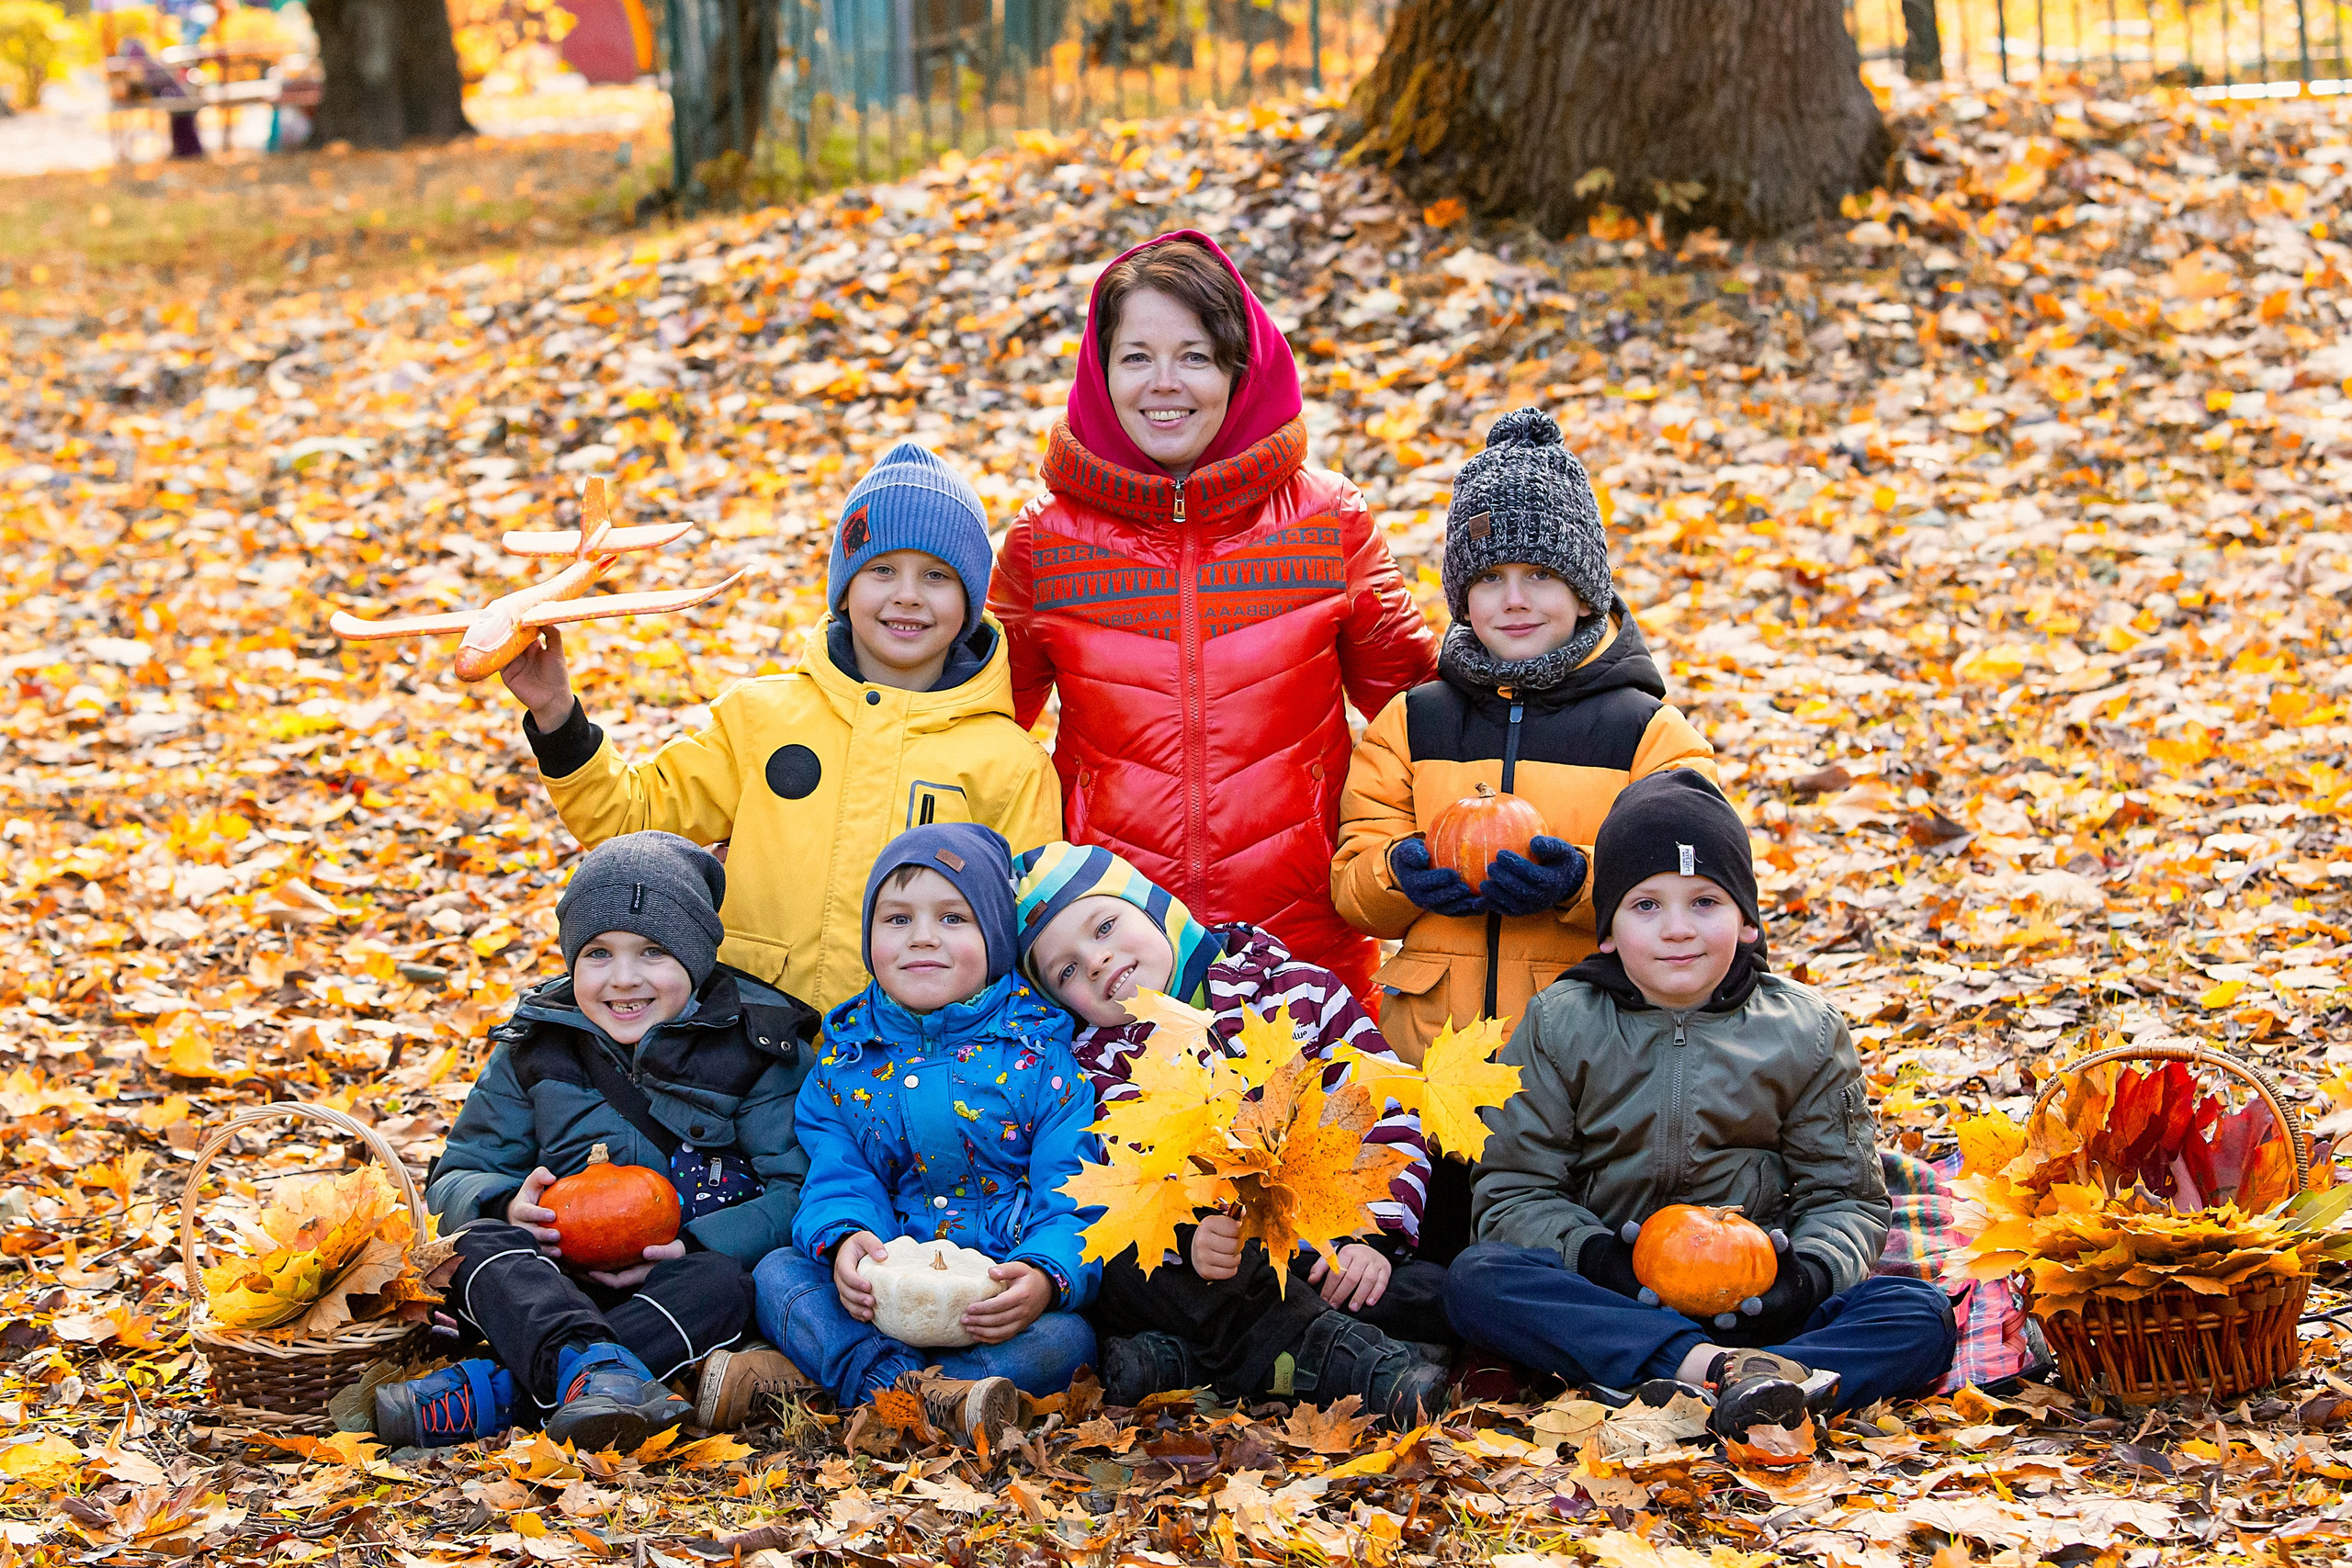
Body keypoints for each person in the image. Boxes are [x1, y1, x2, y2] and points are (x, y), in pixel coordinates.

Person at [989, 231, 1436, 1005]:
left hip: (1307, 959)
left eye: (1195, 355)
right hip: (1112, 968)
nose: (1165, 384)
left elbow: (1426, 714)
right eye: (1136, 357)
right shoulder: (1045, 542)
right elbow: (976, 726)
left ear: (1240, 367)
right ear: (1101, 374)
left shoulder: (1329, 523)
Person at [1444, 773, 1956, 1440]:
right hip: (1613, 1294)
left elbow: (1848, 1195)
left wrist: (1803, 1277)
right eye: (1647, 905)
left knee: (1918, 1313)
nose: (1678, 929)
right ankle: (1731, 1378)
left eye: (1706, 901)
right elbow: (1515, 1191)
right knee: (1478, 1278)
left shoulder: (1803, 1028)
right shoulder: (1559, 1022)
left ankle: (1732, 1377)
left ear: (1746, 920)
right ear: (1607, 930)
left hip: (1760, 1299)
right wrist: (1601, 1260)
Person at [1331, 406, 1715, 1260]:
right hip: (1430, 1076)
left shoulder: (1646, 732)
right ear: (1460, 588)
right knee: (1414, 1261)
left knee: (1554, 1249)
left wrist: (1581, 884)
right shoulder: (1411, 722)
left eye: (1540, 573)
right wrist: (1403, 869)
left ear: (1584, 587)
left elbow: (1701, 889)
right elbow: (1352, 882)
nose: (1513, 597)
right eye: (1491, 573)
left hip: (1586, 1080)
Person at [502, 443, 1061, 1012]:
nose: (907, 595)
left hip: (920, 1065)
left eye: (937, 576)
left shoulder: (1009, 763)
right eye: (882, 569)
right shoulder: (761, 718)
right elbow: (631, 817)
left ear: (970, 602)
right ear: (844, 587)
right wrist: (555, 713)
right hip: (753, 1041)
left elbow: (1028, 930)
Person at [375, 833, 819, 1450]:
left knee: (731, 1284)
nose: (624, 978)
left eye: (654, 952)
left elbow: (798, 1189)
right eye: (599, 953)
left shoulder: (755, 1047)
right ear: (571, 960)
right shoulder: (535, 1044)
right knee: (478, 1241)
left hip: (679, 1274)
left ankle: (508, 1390)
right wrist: (506, 1203)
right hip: (552, 1280)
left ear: (695, 957)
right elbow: (454, 1177)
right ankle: (596, 1373)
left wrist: (693, 1240)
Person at [1012, 840, 1452, 1426]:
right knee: (1130, 1266)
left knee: (1425, 1289)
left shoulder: (1294, 988)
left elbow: (1386, 1107)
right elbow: (1131, 1185)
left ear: (1154, 905)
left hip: (1326, 1247)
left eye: (1106, 924)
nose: (1095, 960)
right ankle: (1347, 1362)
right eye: (1065, 969)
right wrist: (1189, 1239)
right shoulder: (1094, 1068)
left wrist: (1365, 1234)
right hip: (1218, 1270)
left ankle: (1186, 1365)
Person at [752, 825, 1099, 1441]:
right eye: (897, 918)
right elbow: (839, 1175)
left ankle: (846, 1383)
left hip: (989, 1296)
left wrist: (1045, 1274)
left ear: (994, 937)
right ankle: (922, 1395)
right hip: (886, 1291)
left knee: (1069, 1339)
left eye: (952, 918)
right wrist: (846, 1241)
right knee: (778, 1274)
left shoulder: (1042, 1060)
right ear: (869, 938)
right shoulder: (844, 1063)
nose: (922, 937)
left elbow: (1071, 1187)